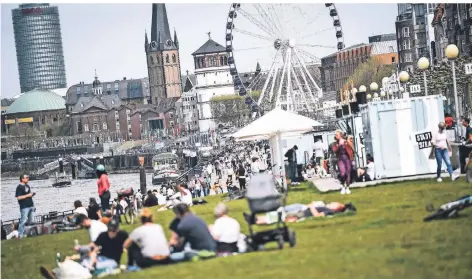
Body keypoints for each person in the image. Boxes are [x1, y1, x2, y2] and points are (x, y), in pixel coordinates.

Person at [333, 130, 354, 194]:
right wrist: (339, 145)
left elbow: (352, 149)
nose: (336, 136)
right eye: (335, 135)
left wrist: (347, 142)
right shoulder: (335, 143)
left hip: (347, 158)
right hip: (340, 159)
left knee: (348, 173)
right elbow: (334, 150)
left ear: (341, 135)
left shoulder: (346, 141)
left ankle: (347, 187)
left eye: (337, 135)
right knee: (342, 173)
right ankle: (343, 186)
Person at [15, 174, 35, 239]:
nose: (28, 178)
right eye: (26, 177)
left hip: (31, 205)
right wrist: (28, 195)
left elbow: (28, 195)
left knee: (31, 221)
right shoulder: (19, 187)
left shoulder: (27, 186)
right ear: (22, 179)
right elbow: (19, 198)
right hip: (24, 207)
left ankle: (30, 234)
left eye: (28, 177)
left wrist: (31, 195)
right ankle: (20, 236)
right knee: (23, 221)